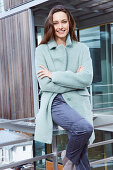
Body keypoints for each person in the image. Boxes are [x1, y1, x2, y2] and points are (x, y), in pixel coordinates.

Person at [34, 5, 95, 170]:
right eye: (56, 23)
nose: (60, 26)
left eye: (64, 22)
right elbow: (44, 84)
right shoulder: (41, 50)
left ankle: (69, 159)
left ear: (70, 23)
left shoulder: (82, 49)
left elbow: (87, 79)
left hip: (79, 101)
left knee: (82, 151)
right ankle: (68, 157)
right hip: (55, 102)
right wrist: (74, 79)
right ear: (50, 26)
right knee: (84, 128)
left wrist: (55, 75)